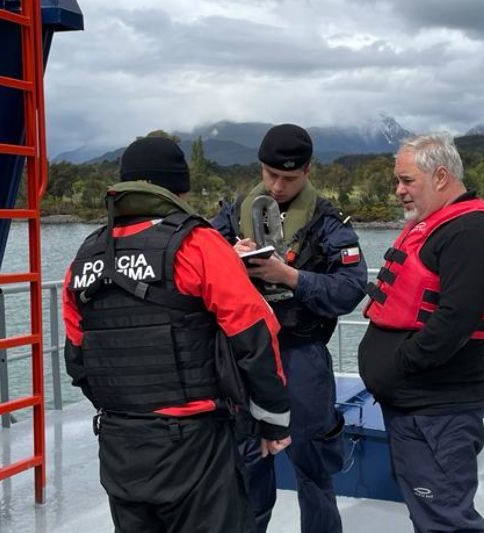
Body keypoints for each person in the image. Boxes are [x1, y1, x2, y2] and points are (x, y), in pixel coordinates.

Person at [63, 137, 291, 533]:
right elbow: (254, 335)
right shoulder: (197, 244)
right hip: (194, 446)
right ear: (179, 190)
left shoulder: (85, 257)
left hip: (119, 444)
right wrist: (273, 423)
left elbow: (77, 358)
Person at [212, 123, 367, 533]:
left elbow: (352, 288)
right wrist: (228, 257)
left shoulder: (329, 223)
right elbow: (194, 268)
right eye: (270, 175)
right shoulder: (233, 213)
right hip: (245, 355)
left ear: (308, 171)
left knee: (314, 467)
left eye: (289, 177)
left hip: (301, 354)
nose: (277, 186)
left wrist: (291, 277)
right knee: (247, 466)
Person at [358, 132, 484, 533]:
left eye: (407, 180)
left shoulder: (472, 233)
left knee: (446, 518)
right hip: (417, 407)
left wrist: (398, 366)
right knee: (429, 514)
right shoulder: (440, 227)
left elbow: (455, 323)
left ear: (441, 176)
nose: (399, 190)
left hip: (438, 409)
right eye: (398, 181)